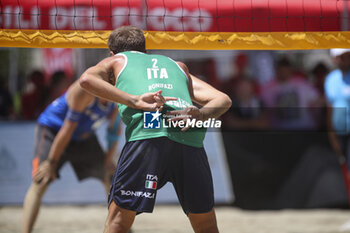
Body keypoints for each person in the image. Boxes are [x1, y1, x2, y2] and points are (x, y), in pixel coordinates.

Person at [79, 26, 232, 233]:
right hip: (189, 135)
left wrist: (134, 100)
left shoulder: (117, 60)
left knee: (118, 221)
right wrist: (202, 114)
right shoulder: (177, 66)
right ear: (146, 51)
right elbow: (223, 99)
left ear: (112, 53)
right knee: (205, 223)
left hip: (149, 131)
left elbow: (86, 80)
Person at [22, 74, 168, 233]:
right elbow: (67, 129)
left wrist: (108, 161)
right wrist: (51, 162)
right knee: (41, 180)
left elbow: (113, 133)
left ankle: (121, 227)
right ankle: (26, 230)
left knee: (111, 178)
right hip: (53, 130)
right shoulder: (84, 90)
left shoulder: (117, 97)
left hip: (84, 136)